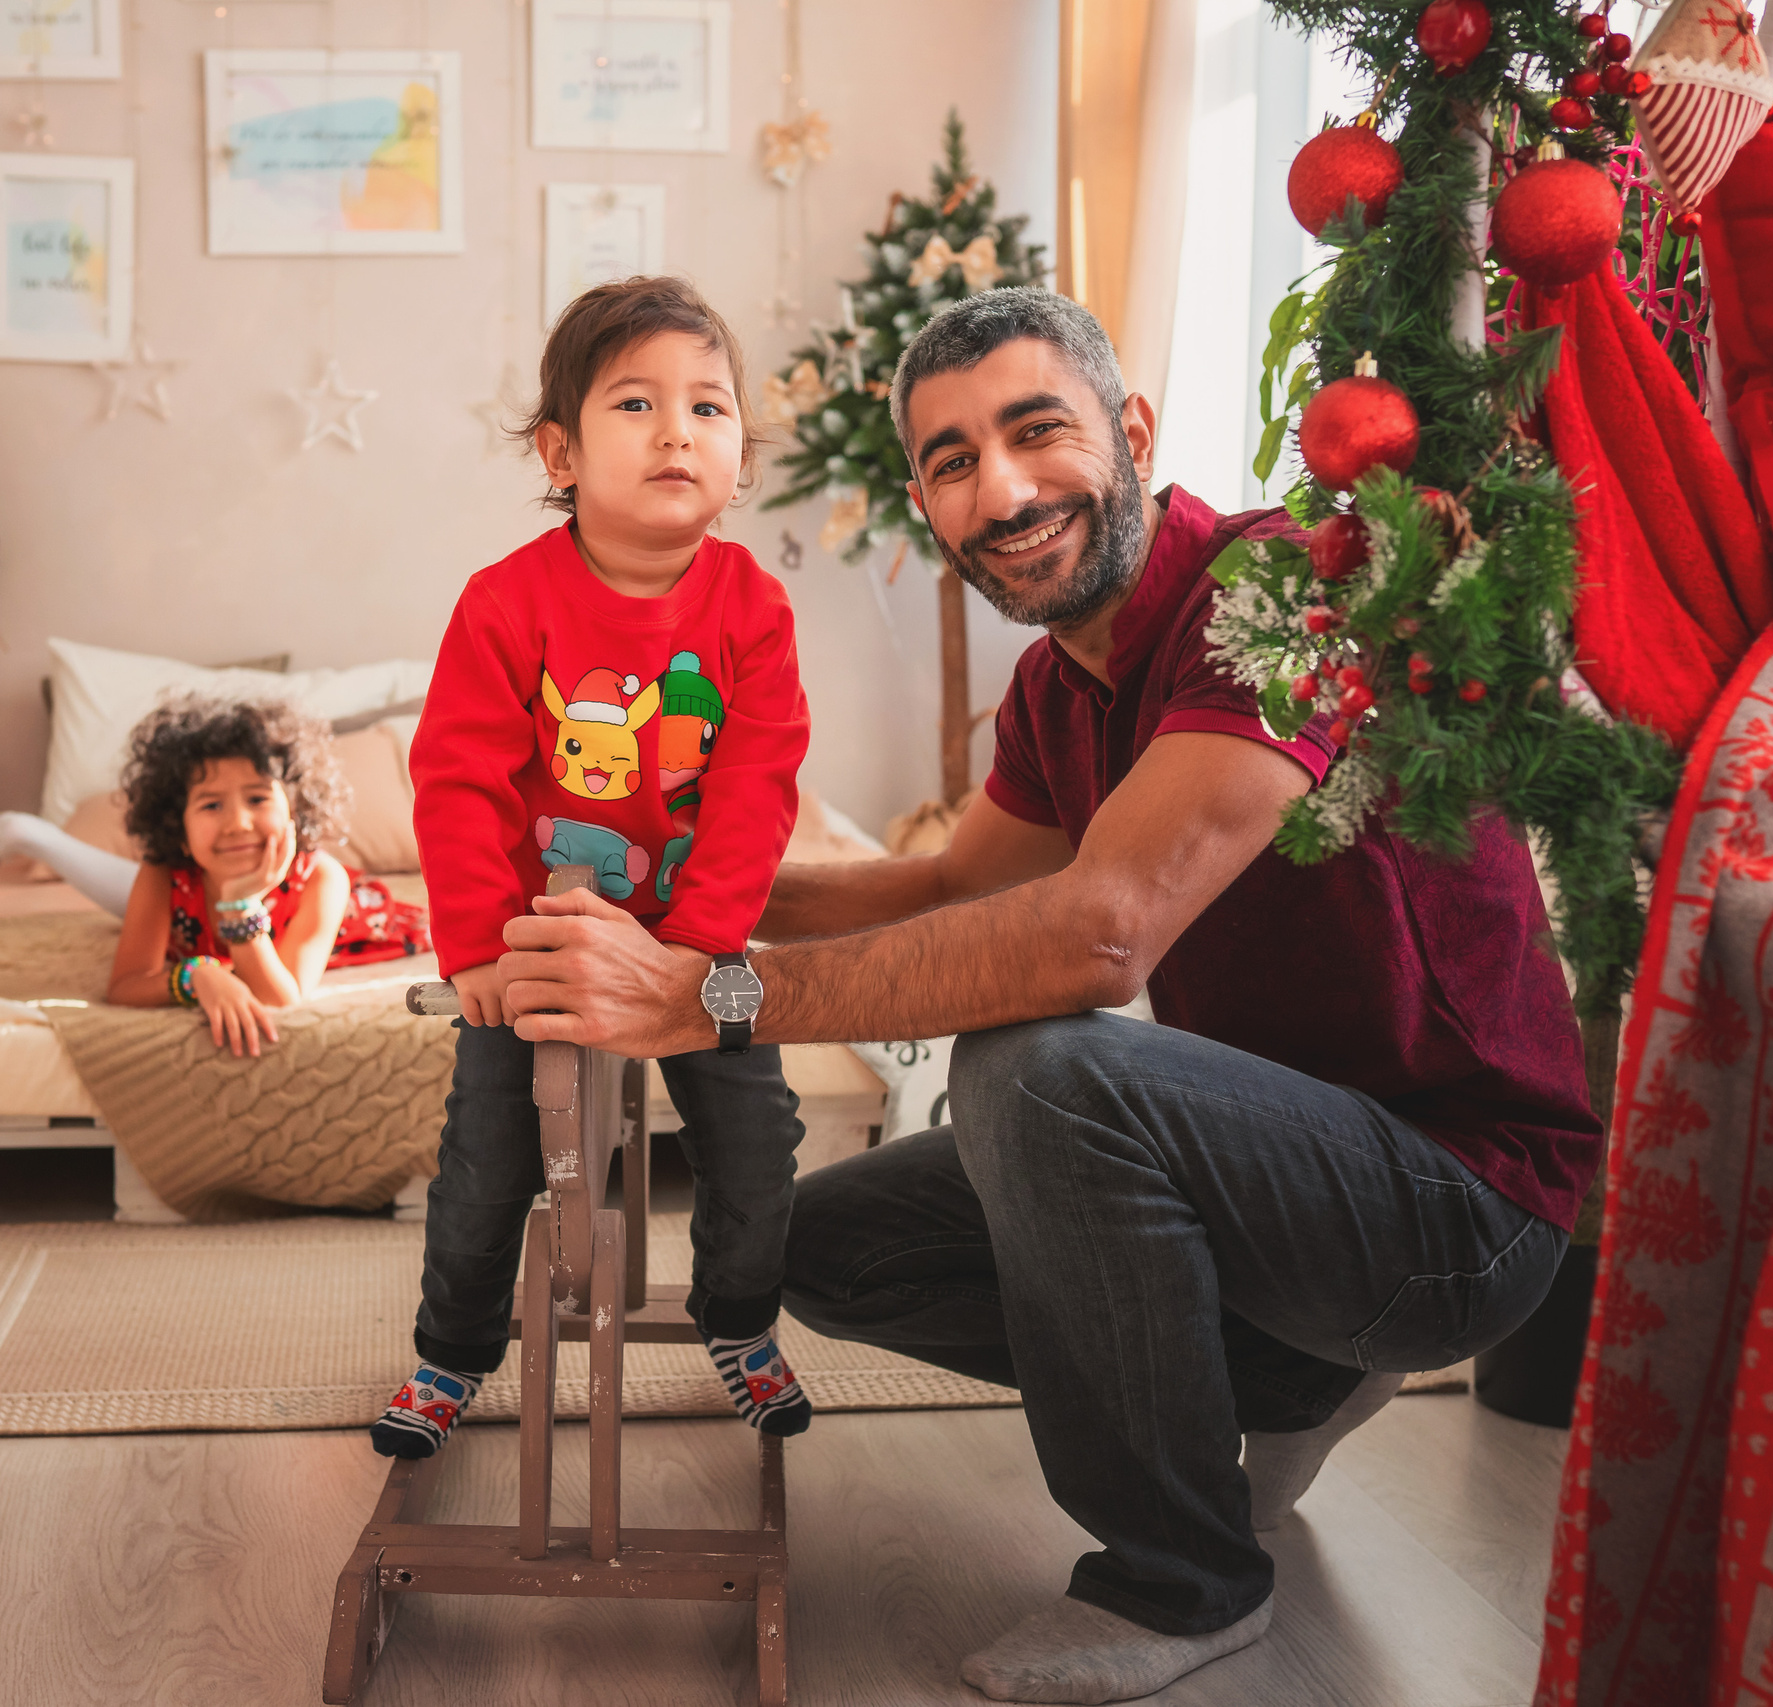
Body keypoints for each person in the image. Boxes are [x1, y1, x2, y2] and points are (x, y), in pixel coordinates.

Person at [488, 289, 1597, 1703]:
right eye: (954, 462)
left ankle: (1179, 1575)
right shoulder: (1057, 686)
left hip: (1464, 1195)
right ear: (924, 503)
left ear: (1130, 431)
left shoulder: (1282, 589)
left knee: (1042, 1066)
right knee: (811, 1246)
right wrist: (663, 879)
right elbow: (946, 886)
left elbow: (1099, 937)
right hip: (1290, 1171)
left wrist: (711, 995)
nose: (1000, 490)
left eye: (1035, 432)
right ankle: (1293, 1379)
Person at [371, 276, 817, 1459]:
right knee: (486, 1159)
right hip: (541, 944)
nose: (679, 431)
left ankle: (738, 1319)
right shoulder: (505, 604)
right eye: (637, 404)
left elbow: (757, 787)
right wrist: (471, 946)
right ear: (560, 452)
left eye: (709, 408)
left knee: (759, 1136)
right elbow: (457, 781)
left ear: (739, 452)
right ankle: (450, 1354)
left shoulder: (753, 609)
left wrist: (702, 943)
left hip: (696, 941)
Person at [100, 696, 355, 1058]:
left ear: (294, 809)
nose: (238, 823)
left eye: (257, 799)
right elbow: (125, 987)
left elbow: (280, 998)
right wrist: (199, 976)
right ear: (177, 822)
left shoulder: (323, 879)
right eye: (211, 805)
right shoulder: (163, 875)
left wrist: (240, 904)